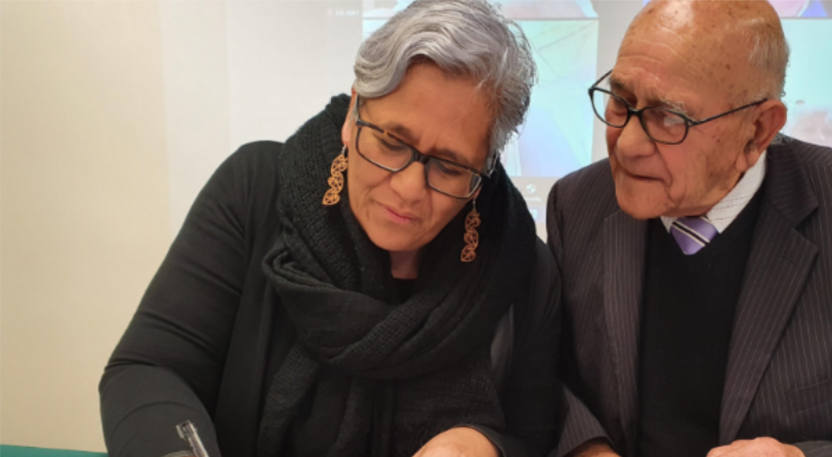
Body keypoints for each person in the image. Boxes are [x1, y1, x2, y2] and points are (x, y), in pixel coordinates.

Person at [100, 1, 561, 457]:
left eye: (449, 167)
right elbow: (150, 369)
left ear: (486, 166)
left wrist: (484, 446)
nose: (409, 188)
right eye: (392, 141)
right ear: (354, 111)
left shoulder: (522, 267)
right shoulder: (254, 190)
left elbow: (534, 434)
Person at [548, 1, 832, 457]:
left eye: (670, 117)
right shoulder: (577, 204)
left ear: (757, 131)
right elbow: (548, 376)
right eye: (621, 101)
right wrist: (586, 447)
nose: (627, 144)